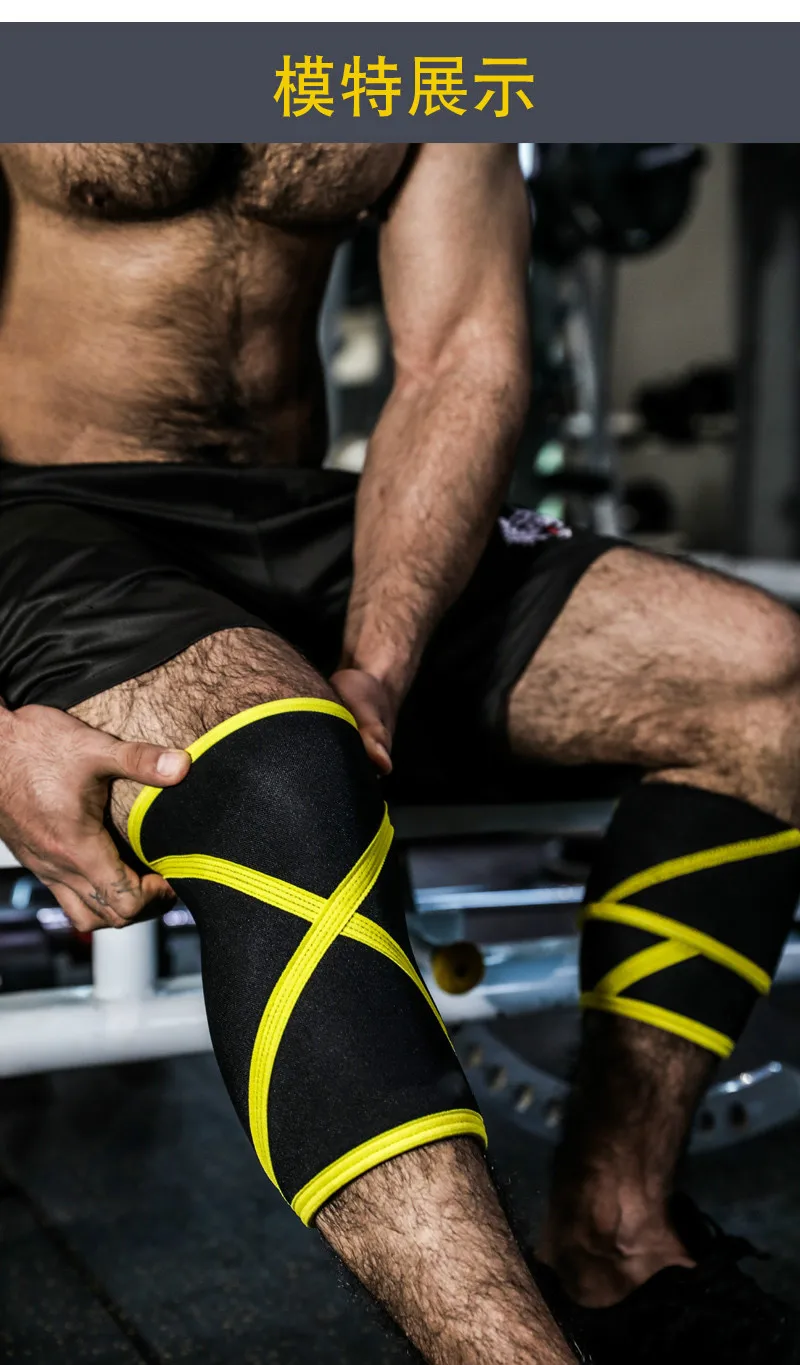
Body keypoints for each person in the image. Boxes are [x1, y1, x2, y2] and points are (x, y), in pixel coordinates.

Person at [0, 141, 796, 1365]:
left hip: (301, 508)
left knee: (758, 673)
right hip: (42, 514)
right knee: (273, 763)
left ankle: (614, 1232)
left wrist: (380, 658)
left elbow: (459, 351)